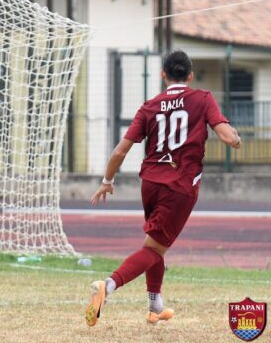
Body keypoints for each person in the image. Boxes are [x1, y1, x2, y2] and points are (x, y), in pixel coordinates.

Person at [85, 50, 241, 327]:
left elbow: (121, 151)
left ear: (163, 75)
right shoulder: (202, 98)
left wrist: (107, 181)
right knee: (155, 248)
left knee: (155, 245)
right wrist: (236, 139)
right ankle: (107, 286)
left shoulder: (149, 106)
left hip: (151, 184)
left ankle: (155, 304)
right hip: (179, 186)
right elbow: (226, 136)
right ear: (190, 75)